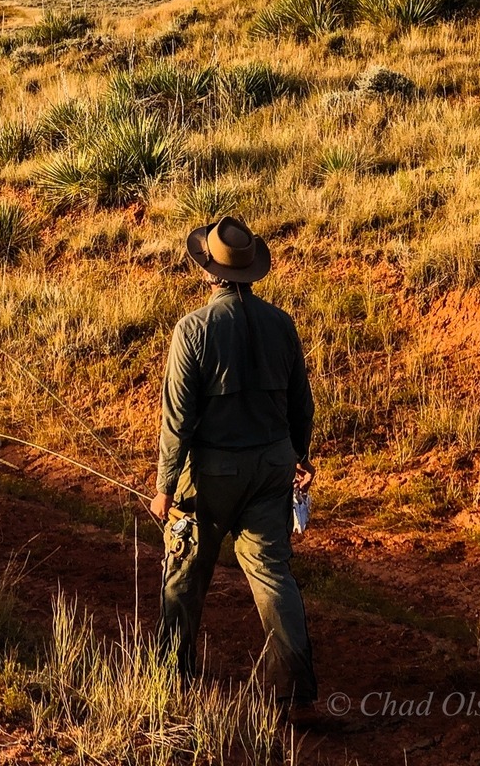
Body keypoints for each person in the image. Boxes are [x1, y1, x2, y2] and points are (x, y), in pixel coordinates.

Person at [151, 215, 317, 705]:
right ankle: (296, 695)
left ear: (208, 271)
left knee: (184, 574)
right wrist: (299, 457)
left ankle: (170, 678)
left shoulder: (193, 329)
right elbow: (301, 406)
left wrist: (164, 486)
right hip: (272, 469)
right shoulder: (281, 324)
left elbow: (176, 420)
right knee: (272, 575)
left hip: (211, 476)